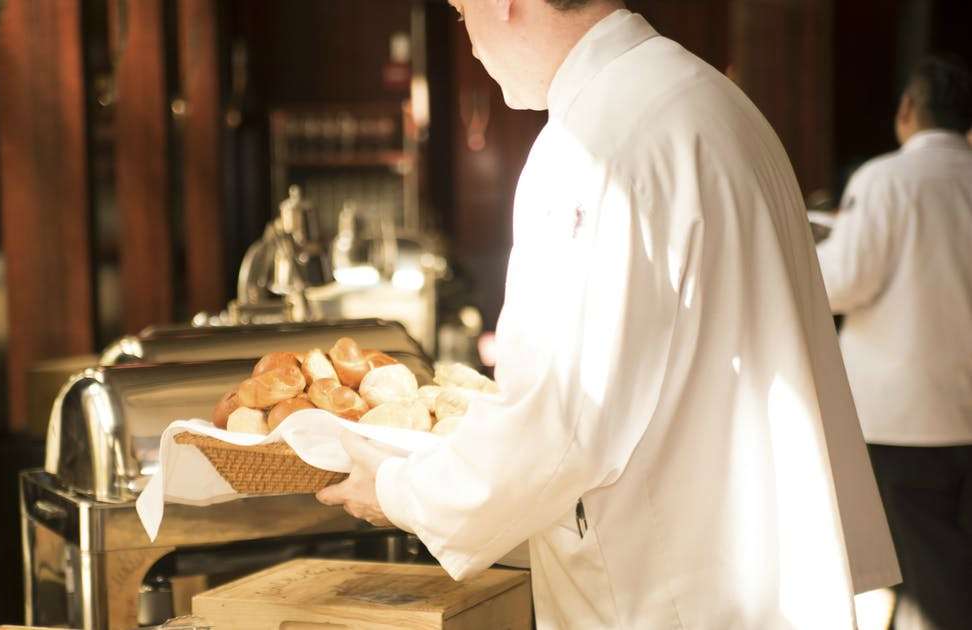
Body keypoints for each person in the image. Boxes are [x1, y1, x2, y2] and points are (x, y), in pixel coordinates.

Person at [318, 1, 901, 627]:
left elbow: (561, 422)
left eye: (463, 13)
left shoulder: (591, 143)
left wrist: (398, 490)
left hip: (672, 590)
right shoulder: (712, 99)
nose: (471, 44)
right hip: (751, 558)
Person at [816, 56, 972, 630]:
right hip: (963, 406)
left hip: (904, 416)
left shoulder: (884, 180)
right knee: (952, 561)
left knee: (924, 578)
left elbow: (842, 280)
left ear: (908, 109)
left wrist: (809, 249)